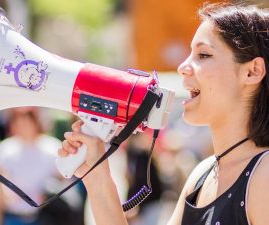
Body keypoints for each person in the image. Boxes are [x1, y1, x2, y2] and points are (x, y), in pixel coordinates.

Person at [58, 2, 269, 225]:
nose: (183, 66)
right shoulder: (203, 174)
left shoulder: (264, 175)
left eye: (204, 55)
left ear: (252, 71)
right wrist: (97, 175)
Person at [0, 107, 62, 225]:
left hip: (45, 217)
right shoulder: (4, 150)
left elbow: (63, 181)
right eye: (18, 121)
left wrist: (47, 193)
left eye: (27, 120)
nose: (23, 125)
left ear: (36, 121)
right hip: (13, 217)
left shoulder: (52, 148)